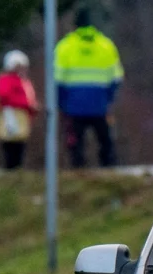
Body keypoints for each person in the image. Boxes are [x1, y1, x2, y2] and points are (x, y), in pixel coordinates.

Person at [54, 8, 124, 167]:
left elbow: (57, 81)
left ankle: (78, 172)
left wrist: (62, 104)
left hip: (73, 106)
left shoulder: (65, 46)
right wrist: (108, 99)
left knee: (75, 144)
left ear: (75, 25)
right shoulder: (106, 45)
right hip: (100, 105)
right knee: (106, 142)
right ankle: (109, 170)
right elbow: (117, 78)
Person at [0, 50, 39, 170]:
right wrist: (26, 104)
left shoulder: (23, 81)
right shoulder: (6, 80)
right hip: (11, 115)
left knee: (20, 142)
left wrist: (32, 107)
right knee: (10, 142)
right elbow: (4, 96)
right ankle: (11, 168)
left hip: (22, 115)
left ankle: (17, 168)